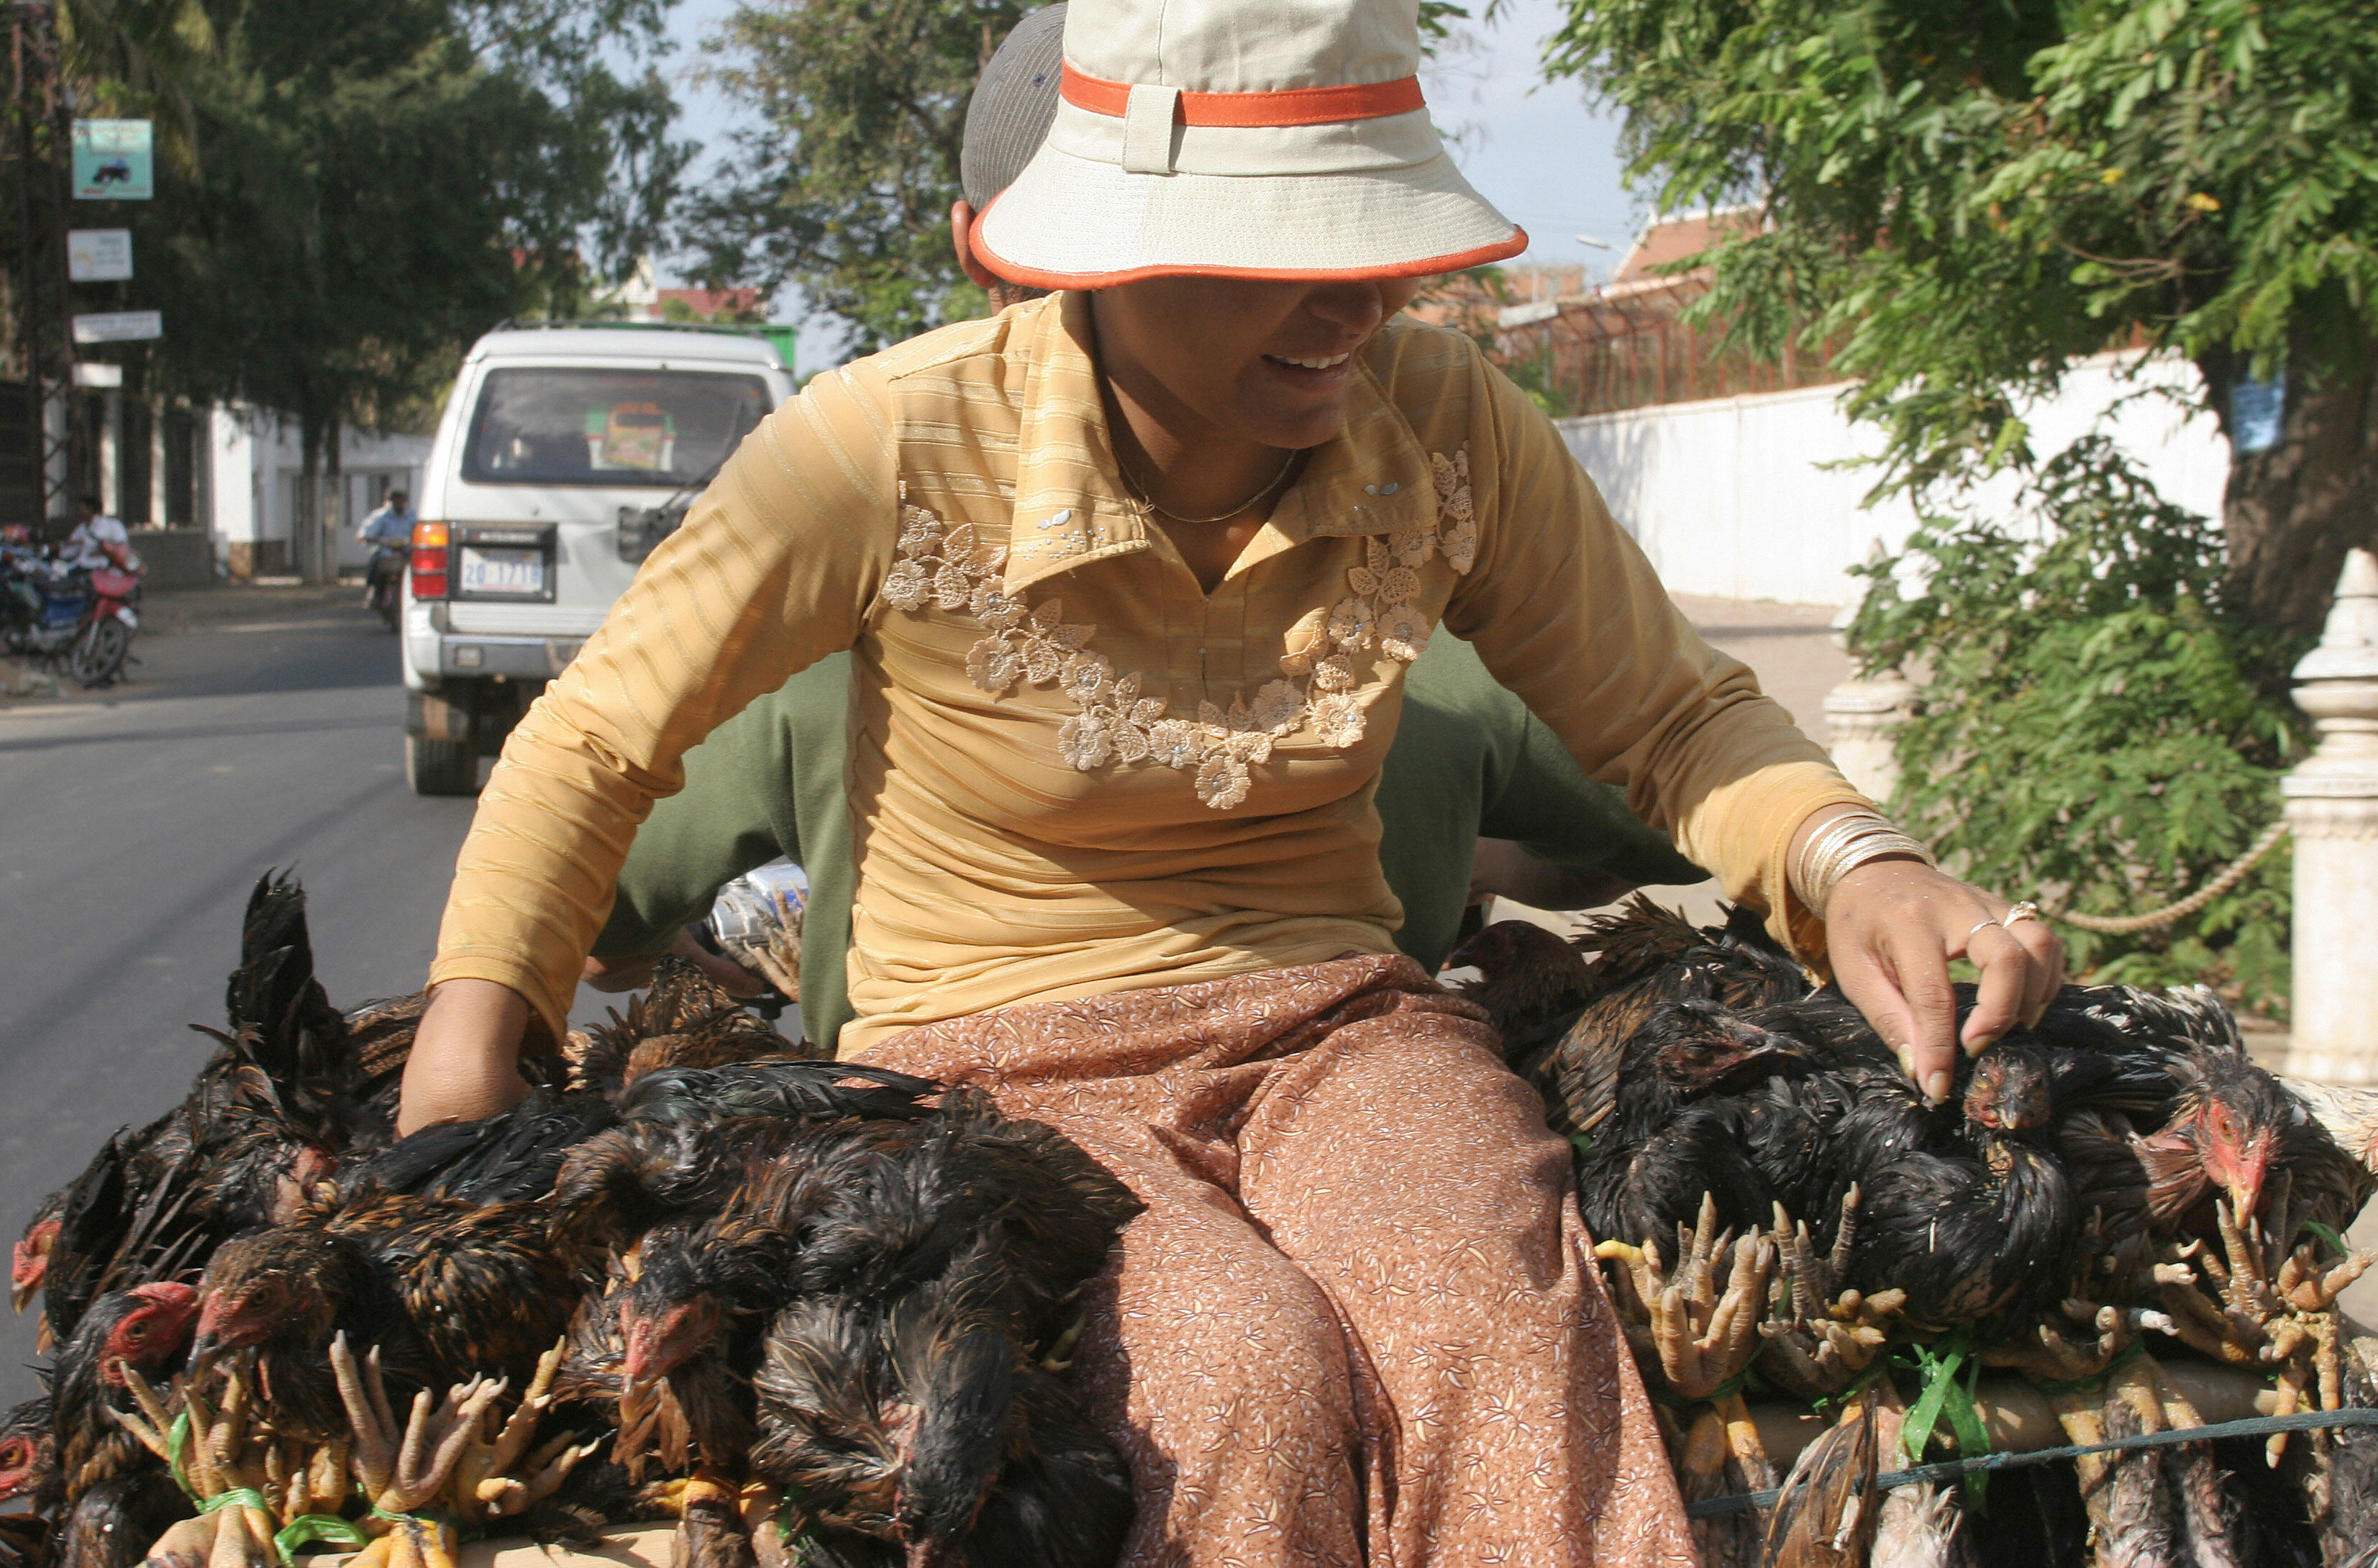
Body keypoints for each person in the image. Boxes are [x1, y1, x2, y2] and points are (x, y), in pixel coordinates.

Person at [405, 0, 2066, 1559]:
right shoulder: (885, 446)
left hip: (1340, 1027)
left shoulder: (1446, 428)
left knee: (1481, 1311)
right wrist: (465, 1067)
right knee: (1231, 1375)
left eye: (1378, 249)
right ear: (1096, 255)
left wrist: (1857, 861)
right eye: (1286, 257)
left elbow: (1673, 718)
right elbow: (592, 741)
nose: (1355, 307)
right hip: (990, 1065)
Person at [588, 638, 1707, 1036]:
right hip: (1351, 1124)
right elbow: (1688, 825)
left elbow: (588, 915)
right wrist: (1476, 842)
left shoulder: (840, 646)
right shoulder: (1425, 647)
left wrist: (670, 957)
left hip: (938, 1160)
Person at [62, 494, 135, 574]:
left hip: (103, 564)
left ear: (90, 509)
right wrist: (80, 541)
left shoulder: (107, 524)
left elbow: (104, 543)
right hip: (83, 562)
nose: (79, 512)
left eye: (81, 509)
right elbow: (70, 541)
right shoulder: (83, 526)